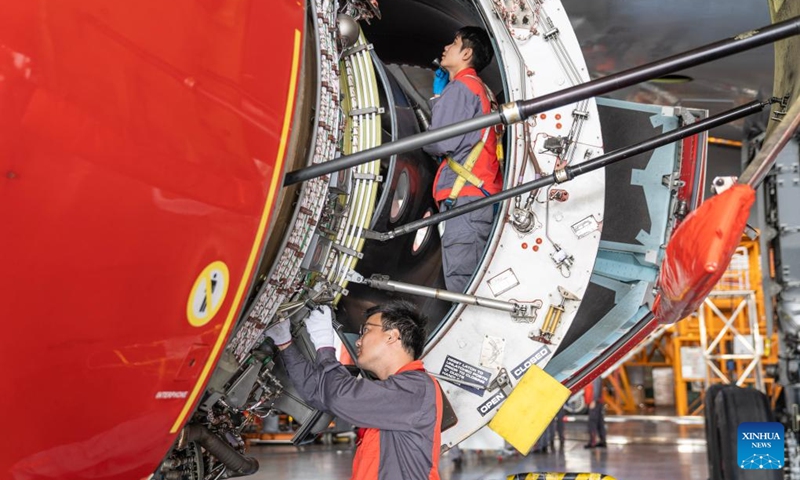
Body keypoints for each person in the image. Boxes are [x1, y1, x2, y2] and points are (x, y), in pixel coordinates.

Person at [266, 300, 443, 480]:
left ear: (392, 336)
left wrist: (324, 344)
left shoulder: (416, 388)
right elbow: (319, 393)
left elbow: (339, 395)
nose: (358, 342)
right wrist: (285, 344)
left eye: (366, 330)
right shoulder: (392, 391)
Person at [422, 26, 503, 293]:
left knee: (462, 283)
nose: (446, 48)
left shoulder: (462, 88)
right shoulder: (481, 89)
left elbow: (440, 141)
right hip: (476, 194)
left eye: (454, 43)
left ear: (467, 53)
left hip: (466, 197)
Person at [584, 376, 607, 449]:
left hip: (594, 402)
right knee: (600, 422)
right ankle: (602, 441)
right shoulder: (595, 375)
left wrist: (593, 400)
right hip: (597, 402)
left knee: (592, 422)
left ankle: (592, 442)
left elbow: (596, 388)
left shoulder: (595, 376)